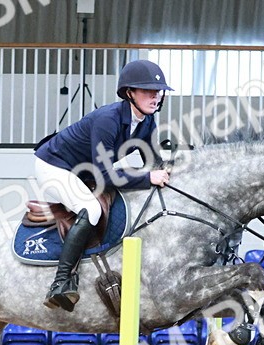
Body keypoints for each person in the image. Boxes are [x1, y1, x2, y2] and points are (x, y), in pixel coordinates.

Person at [33, 59, 173, 311]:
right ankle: (61, 283)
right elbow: (106, 176)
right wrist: (148, 178)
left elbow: (153, 162)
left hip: (84, 170)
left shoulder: (146, 121)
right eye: (148, 91)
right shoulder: (108, 119)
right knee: (93, 210)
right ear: (129, 93)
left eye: (158, 91)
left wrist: (170, 172)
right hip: (54, 166)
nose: (155, 96)